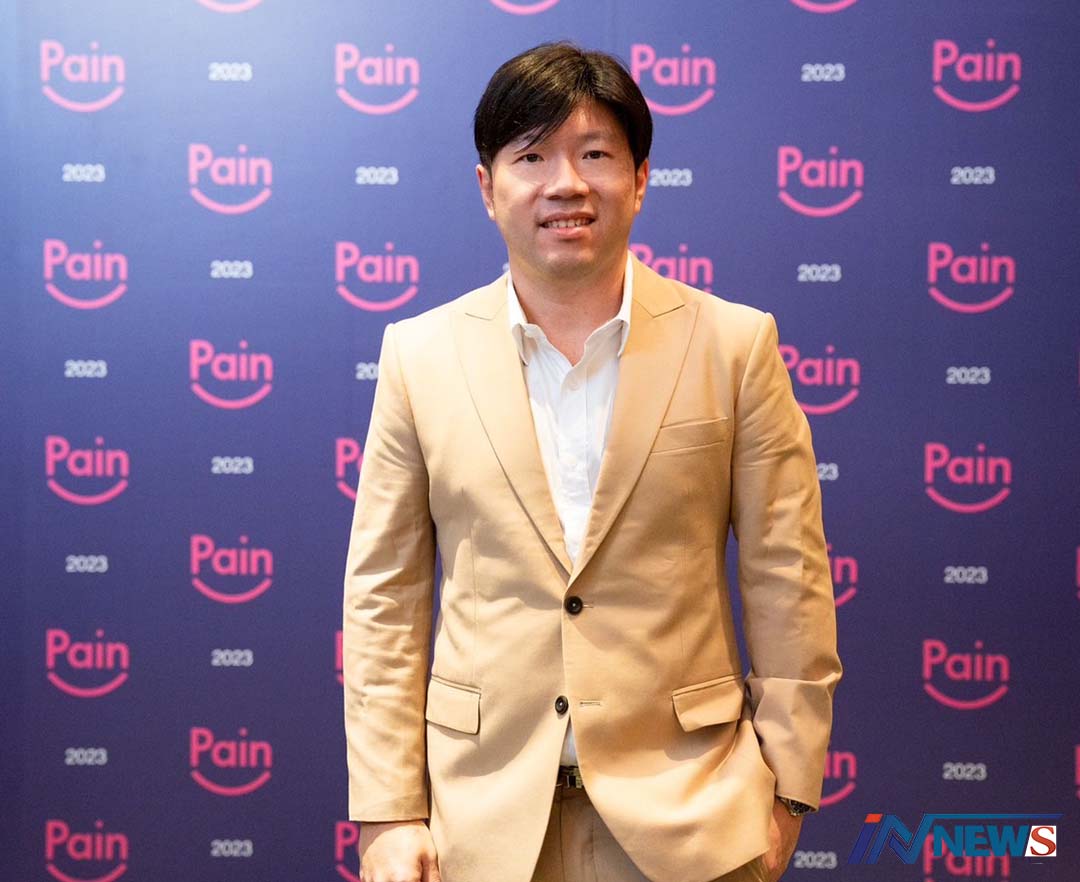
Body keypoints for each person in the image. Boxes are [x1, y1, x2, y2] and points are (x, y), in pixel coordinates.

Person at [342, 42, 841, 882]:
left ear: (640, 180)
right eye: (532, 156)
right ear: (487, 188)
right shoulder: (418, 356)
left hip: (692, 820)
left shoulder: (734, 345)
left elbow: (787, 575)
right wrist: (390, 810)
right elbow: (384, 598)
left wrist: (788, 788)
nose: (565, 184)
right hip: (480, 824)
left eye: (596, 155)